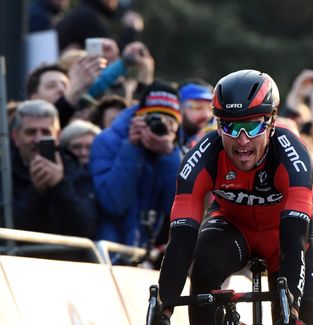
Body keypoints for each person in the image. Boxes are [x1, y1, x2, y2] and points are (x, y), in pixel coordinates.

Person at [139, 70, 313, 325]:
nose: (240, 140)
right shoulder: (203, 154)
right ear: (216, 124)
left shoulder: (292, 154)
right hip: (231, 227)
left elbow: (295, 235)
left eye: (252, 127)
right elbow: (181, 238)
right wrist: (163, 310)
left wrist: (292, 304)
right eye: (229, 126)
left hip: (284, 238)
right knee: (203, 267)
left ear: (271, 124)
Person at [90, 80, 183, 252]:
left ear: (178, 127)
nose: (161, 127)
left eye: (170, 122)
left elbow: (179, 210)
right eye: (153, 119)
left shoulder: (177, 153)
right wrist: (132, 147)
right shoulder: (108, 142)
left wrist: (168, 156)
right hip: (112, 250)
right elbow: (113, 203)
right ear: (138, 118)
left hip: (147, 252)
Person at [8, 100, 97, 240]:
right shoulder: (5, 174)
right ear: (16, 137)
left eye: (45, 132)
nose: (38, 139)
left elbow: (85, 228)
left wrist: (59, 185)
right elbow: (10, 232)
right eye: (30, 132)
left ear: (58, 136)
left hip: (67, 259)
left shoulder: (76, 170)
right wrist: (36, 192)